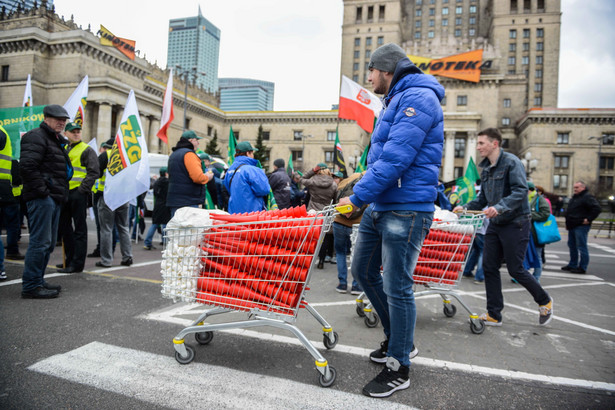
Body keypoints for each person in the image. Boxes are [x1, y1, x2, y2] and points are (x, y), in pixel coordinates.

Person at [338, 43, 444, 398]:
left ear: (386, 69)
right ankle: (400, 339)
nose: (367, 79)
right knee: (363, 273)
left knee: (397, 286)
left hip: (407, 208)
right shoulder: (393, 100)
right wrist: (364, 191)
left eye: (370, 71)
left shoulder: (418, 99)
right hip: (382, 205)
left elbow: (396, 160)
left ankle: (400, 366)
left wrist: (356, 197)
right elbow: (380, 157)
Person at [453, 127, 553, 328]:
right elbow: (482, 198)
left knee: (516, 269)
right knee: (489, 267)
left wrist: (499, 207)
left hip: (515, 223)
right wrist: (464, 208)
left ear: (494, 143)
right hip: (495, 225)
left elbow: (520, 191)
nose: (478, 147)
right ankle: (494, 314)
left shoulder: (511, 162)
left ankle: (544, 300)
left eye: (481, 143)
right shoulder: (487, 168)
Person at [19, 104, 72, 298]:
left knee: (47, 244)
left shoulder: (54, 139)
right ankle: (31, 286)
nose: (61, 122)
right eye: (58, 119)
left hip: (53, 197)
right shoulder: (36, 136)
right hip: (43, 198)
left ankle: (38, 281)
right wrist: (44, 192)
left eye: (64, 119)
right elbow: (27, 166)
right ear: (46, 118)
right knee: (40, 243)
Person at [57, 121, 99, 273]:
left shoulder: (86, 150)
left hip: (78, 194)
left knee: (80, 230)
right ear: (66, 134)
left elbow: (94, 172)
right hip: (64, 193)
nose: (76, 133)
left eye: (78, 131)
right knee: (65, 229)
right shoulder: (64, 149)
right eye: (73, 131)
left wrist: (82, 190)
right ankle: (68, 260)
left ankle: (77, 264)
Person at [96, 138, 133, 268]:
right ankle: (127, 257)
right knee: (123, 227)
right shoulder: (127, 157)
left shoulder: (105, 155)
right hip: (123, 196)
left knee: (106, 229)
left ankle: (106, 260)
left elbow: (96, 173)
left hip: (107, 196)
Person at [167, 130, 213, 217]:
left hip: (174, 201)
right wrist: (207, 177)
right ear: (191, 140)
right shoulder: (189, 154)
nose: (198, 144)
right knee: (188, 230)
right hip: (188, 202)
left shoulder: (174, 154)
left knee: (177, 230)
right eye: (197, 140)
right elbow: (198, 177)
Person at [333, 172, 364, 294]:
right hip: (356, 225)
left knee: (340, 253)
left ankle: (342, 284)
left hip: (339, 222)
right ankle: (356, 285)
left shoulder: (343, 183)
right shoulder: (364, 184)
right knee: (356, 255)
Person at [301, 163, 336, 269]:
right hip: (325, 212)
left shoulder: (313, 182)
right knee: (323, 237)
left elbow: (302, 179)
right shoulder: (333, 184)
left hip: (313, 212)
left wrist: (312, 171)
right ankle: (321, 260)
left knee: (311, 237)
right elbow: (334, 199)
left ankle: (309, 260)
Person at [561, 180, 601, 274]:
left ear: (583, 187)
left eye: (577, 187)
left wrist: (588, 219)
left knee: (581, 246)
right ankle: (572, 264)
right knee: (572, 246)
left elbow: (597, 208)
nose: (575, 189)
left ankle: (582, 267)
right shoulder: (575, 197)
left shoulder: (587, 197)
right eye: (574, 187)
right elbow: (570, 211)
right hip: (572, 225)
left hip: (580, 225)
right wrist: (568, 224)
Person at [223, 141, 271, 214]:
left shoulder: (229, 170)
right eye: (252, 153)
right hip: (252, 215)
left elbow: (228, 189)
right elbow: (264, 189)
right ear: (248, 153)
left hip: (234, 215)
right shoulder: (252, 169)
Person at [0, 124, 24, 263]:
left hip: (8, 191)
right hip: (8, 192)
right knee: (12, 224)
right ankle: (12, 250)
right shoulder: (13, 158)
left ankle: (12, 249)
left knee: (12, 224)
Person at [87, 139, 113, 258]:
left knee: (103, 227)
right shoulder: (122, 156)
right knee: (119, 227)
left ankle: (104, 252)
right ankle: (114, 251)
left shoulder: (105, 156)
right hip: (116, 195)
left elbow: (95, 173)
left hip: (102, 194)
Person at [527, 181, 550, 281]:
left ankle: (536, 277)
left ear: (530, 190)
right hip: (526, 232)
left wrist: (531, 215)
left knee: (537, 255)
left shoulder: (539, 199)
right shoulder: (527, 199)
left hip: (536, 233)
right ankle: (523, 276)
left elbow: (545, 214)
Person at [144, 167, 171, 250]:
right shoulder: (168, 183)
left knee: (155, 224)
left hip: (157, 205)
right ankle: (165, 241)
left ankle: (147, 242)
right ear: (166, 173)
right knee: (165, 224)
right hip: (165, 205)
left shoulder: (156, 182)